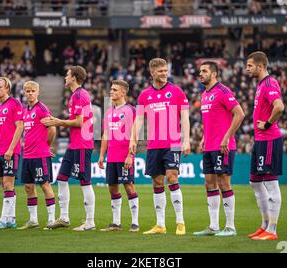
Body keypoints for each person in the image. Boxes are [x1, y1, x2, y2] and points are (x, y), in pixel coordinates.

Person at [130, 58, 190, 235]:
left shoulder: (177, 92)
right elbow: (139, 119)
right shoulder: (144, 95)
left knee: (172, 177)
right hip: (154, 144)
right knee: (157, 182)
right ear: (152, 73)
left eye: (166, 71)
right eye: (161, 71)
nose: (164, 74)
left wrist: (186, 140)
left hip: (172, 143)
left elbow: (185, 117)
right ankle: (160, 225)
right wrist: (133, 139)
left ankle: (180, 222)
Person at [193, 61, 245, 237]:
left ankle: (230, 226)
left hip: (223, 146)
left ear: (214, 74)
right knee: (209, 183)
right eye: (200, 71)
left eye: (204, 71)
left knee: (224, 183)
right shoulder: (204, 94)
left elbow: (240, 113)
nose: (200, 74)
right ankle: (213, 226)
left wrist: (226, 137)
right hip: (209, 146)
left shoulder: (223, 91)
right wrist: (203, 138)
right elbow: (211, 121)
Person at [42, 65, 95, 231]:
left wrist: (58, 121)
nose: (65, 77)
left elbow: (79, 122)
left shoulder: (80, 95)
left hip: (82, 144)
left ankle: (90, 222)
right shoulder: (75, 95)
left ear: (74, 77)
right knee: (62, 178)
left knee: (84, 181)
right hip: (74, 144)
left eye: (67, 74)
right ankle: (64, 217)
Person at [245, 51, 285, 241]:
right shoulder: (261, 84)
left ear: (260, 66)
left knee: (270, 183)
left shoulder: (269, 83)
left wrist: (268, 124)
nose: (247, 69)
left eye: (250, 66)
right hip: (260, 140)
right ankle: (264, 225)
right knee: (254, 182)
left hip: (269, 138)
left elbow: (279, 107)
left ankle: (272, 230)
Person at [98, 80, 139, 232]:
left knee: (129, 186)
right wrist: (102, 155)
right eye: (111, 89)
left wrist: (130, 155)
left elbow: (135, 134)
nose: (111, 92)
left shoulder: (131, 110)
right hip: (112, 157)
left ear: (123, 93)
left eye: (115, 90)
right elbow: (106, 135)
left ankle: (135, 223)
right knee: (113, 188)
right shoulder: (109, 112)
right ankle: (116, 223)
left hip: (125, 156)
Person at [17, 81, 57, 230]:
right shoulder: (24, 110)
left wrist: (46, 146)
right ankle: (33, 220)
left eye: (33, 91)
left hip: (40, 154)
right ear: (24, 93)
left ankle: (51, 220)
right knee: (28, 186)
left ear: (38, 92)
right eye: (27, 91)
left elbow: (52, 128)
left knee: (44, 185)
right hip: (27, 155)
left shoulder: (41, 109)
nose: (30, 93)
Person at [0, 77, 24, 230]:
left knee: (8, 184)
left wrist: (10, 149)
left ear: (7, 88)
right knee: (5, 186)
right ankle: (11, 219)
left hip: (10, 152)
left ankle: (3, 219)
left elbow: (19, 126)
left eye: (0, 87)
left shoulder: (15, 103)